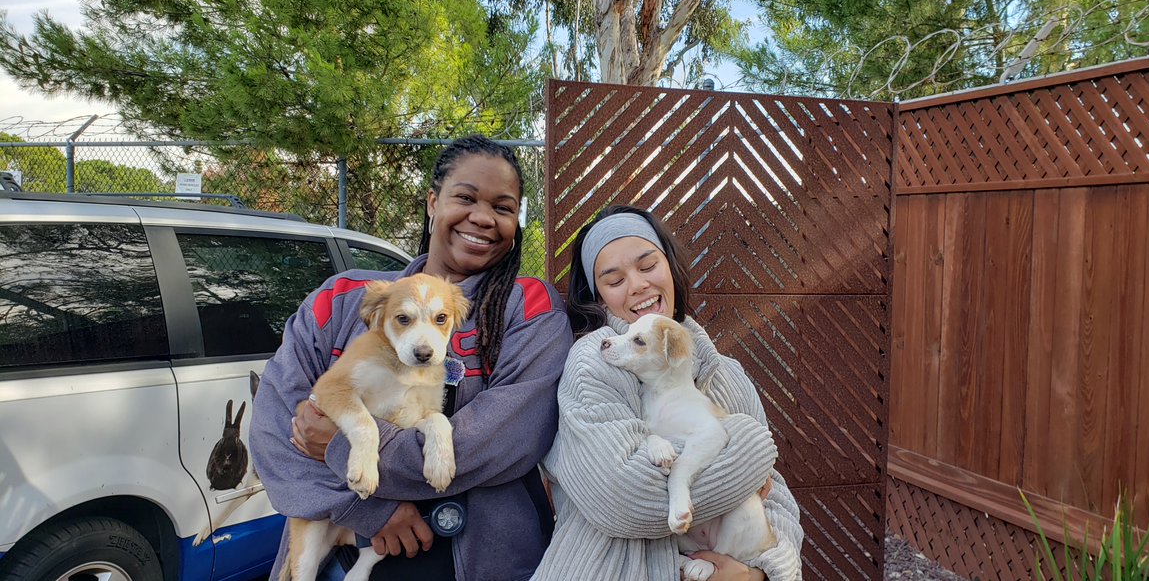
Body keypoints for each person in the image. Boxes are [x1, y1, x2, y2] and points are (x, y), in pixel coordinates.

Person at [248, 135, 573, 581]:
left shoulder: (530, 307)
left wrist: (343, 445)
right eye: (465, 198)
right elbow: (276, 425)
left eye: (503, 207)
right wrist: (366, 509)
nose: (483, 217)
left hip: (486, 561)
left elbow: (504, 441)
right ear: (432, 203)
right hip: (337, 561)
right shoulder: (343, 297)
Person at [532, 205, 804, 581]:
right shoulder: (591, 365)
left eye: (648, 266)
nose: (638, 285)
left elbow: (776, 500)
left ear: (671, 267)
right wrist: (750, 448)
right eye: (615, 280)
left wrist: (758, 573)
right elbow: (624, 500)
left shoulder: (727, 373)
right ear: (598, 297)